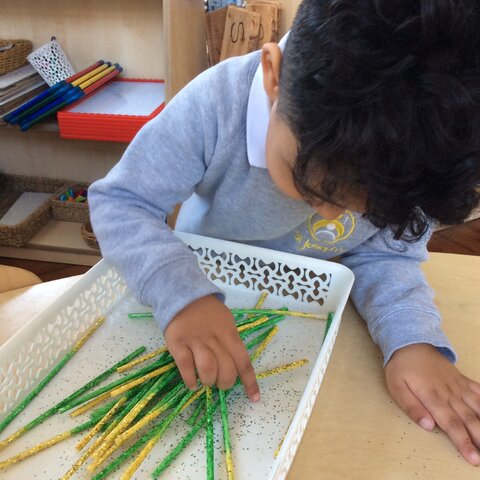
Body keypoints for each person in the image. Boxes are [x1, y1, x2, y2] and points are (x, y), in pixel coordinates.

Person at [89, 0, 480, 465]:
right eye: (313, 186)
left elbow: (385, 255)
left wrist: (413, 341)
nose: (332, 216)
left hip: (308, 322)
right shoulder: (216, 106)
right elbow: (123, 202)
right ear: (272, 76)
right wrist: (183, 298)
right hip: (191, 302)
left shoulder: (419, 153)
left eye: (367, 208)